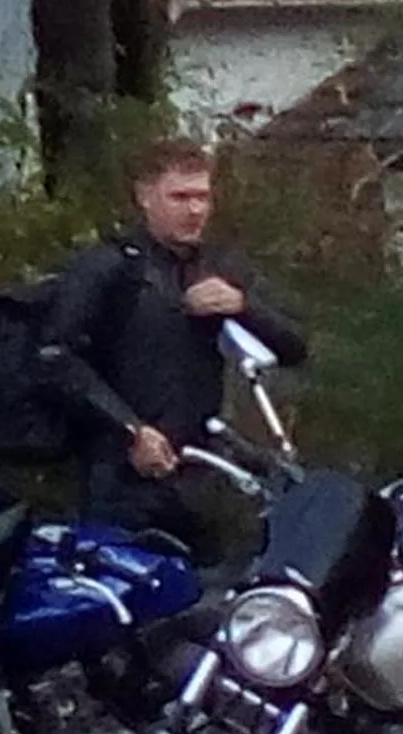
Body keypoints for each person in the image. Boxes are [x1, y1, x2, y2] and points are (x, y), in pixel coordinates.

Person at [39, 138, 307, 556]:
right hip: (121, 478)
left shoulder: (220, 267)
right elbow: (56, 358)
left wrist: (243, 307)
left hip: (203, 474)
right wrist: (129, 430)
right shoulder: (108, 266)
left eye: (202, 197)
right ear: (145, 197)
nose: (195, 210)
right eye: (179, 197)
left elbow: (295, 348)